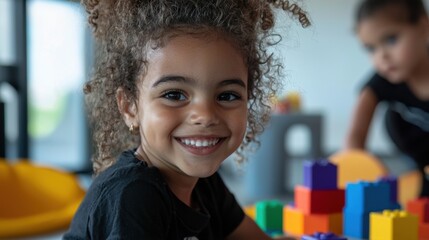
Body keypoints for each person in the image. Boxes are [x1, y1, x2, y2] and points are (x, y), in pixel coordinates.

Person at [64, 0, 310, 239]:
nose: (204, 115)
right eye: (174, 94)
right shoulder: (132, 196)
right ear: (130, 106)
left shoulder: (206, 184)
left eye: (227, 95)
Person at [345, 0, 429, 197]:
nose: (382, 56)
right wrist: (364, 174)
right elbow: (354, 137)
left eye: (391, 39)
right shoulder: (382, 80)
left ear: (424, 28)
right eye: (370, 48)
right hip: (417, 156)